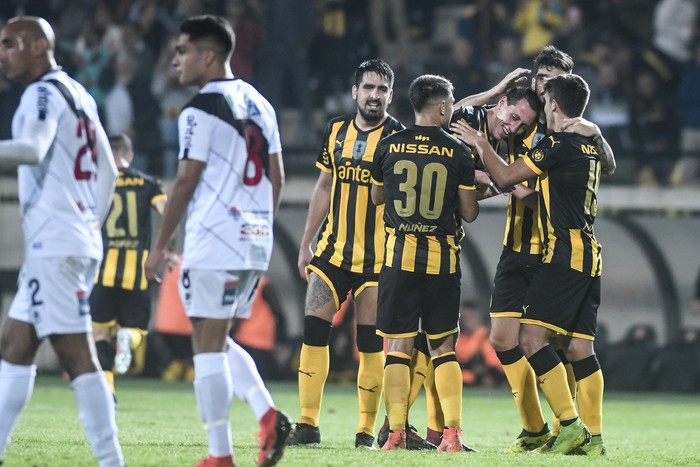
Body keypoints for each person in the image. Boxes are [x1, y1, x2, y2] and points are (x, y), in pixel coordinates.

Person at [143, 15, 290, 467]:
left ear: (208, 56)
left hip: (215, 235)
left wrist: (158, 244)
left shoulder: (199, 109)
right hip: (253, 237)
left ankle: (219, 456)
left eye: (183, 51)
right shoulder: (260, 103)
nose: (175, 60)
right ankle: (267, 415)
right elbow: (277, 176)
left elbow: (185, 181)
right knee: (218, 336)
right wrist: (260, 223)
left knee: (205, 347)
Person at [457, 46, 615, 454]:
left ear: (558, 96)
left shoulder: (563, 137)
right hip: (526, 248)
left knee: (549, 342)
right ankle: (541, 429)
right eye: (542, 77)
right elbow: (459, 112)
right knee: (507, 338)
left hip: (555, 251)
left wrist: (504, 179)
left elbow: (513, 178)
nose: (544, 88)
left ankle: (577, 429)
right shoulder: (524, 123)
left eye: (553, 80)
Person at [0, 16, 124, 466]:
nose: (2, 53)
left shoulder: (41, 94)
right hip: (64, 240)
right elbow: (109, 170)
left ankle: (112, 462)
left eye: (10, 43)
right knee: (16, 344)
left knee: (77, 352)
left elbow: (31, 149)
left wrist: (76, 226)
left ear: (37, 46)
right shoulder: (78, 93)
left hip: (56, 243)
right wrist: (90, 221)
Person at [289, 59, 404, 450]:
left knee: (370, 345)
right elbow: (323, 186)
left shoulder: (396, 136)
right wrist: (307, 242)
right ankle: (307, 424)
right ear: (355, 92)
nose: (375, 95)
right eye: (369, 87)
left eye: (382, 89)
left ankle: (366, 432)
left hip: (376, 262)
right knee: (312, 332)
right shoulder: (335, 129)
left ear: (390, 95)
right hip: (331, 255)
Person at [371, 73, 480, 452]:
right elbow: (469, 213)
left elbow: (376, 197)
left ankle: (396, 434)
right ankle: (451, 435)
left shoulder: (388, 145)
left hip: (398, 259)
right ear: (443, 106)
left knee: (398, 348)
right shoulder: (458, 151)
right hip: (441, 262)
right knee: (443, 348)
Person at [90, 133, 167, 398]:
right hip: (137, 271)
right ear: (130, 155)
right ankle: (128, 338)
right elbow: (167, 214)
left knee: (99, 332)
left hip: (103, 270)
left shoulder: (97, 182)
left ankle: (108, 393)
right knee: (137, 329)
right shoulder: (148, 183)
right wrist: (164, 250)